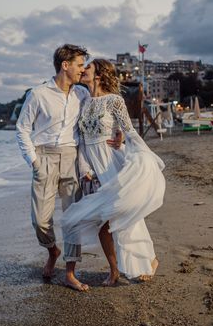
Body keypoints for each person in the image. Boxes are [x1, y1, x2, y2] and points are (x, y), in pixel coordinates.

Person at [16, 45, 121, 291]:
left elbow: (100, 117)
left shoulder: (82, 94)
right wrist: (33, 161)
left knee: (72, 219)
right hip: (44, 157)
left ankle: (70, 272)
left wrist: (119, 135)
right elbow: (22, 128)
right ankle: (53, 251)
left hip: (72, 158)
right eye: (79, 65)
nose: (82, 69)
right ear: (65, 65)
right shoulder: (38, 94)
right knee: (40, 221)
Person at [61, 58, 166, 290]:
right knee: (101, 223)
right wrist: (84, 168)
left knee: (120, 218)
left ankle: (146, 261)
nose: (84, 70)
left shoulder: (114, 101)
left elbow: (129, 132)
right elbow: (81, 141)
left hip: (110, 164)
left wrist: (142, 155)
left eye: (88, 67)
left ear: (99, 74)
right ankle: (115, 269)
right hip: (92, 166)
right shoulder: (84, 101)